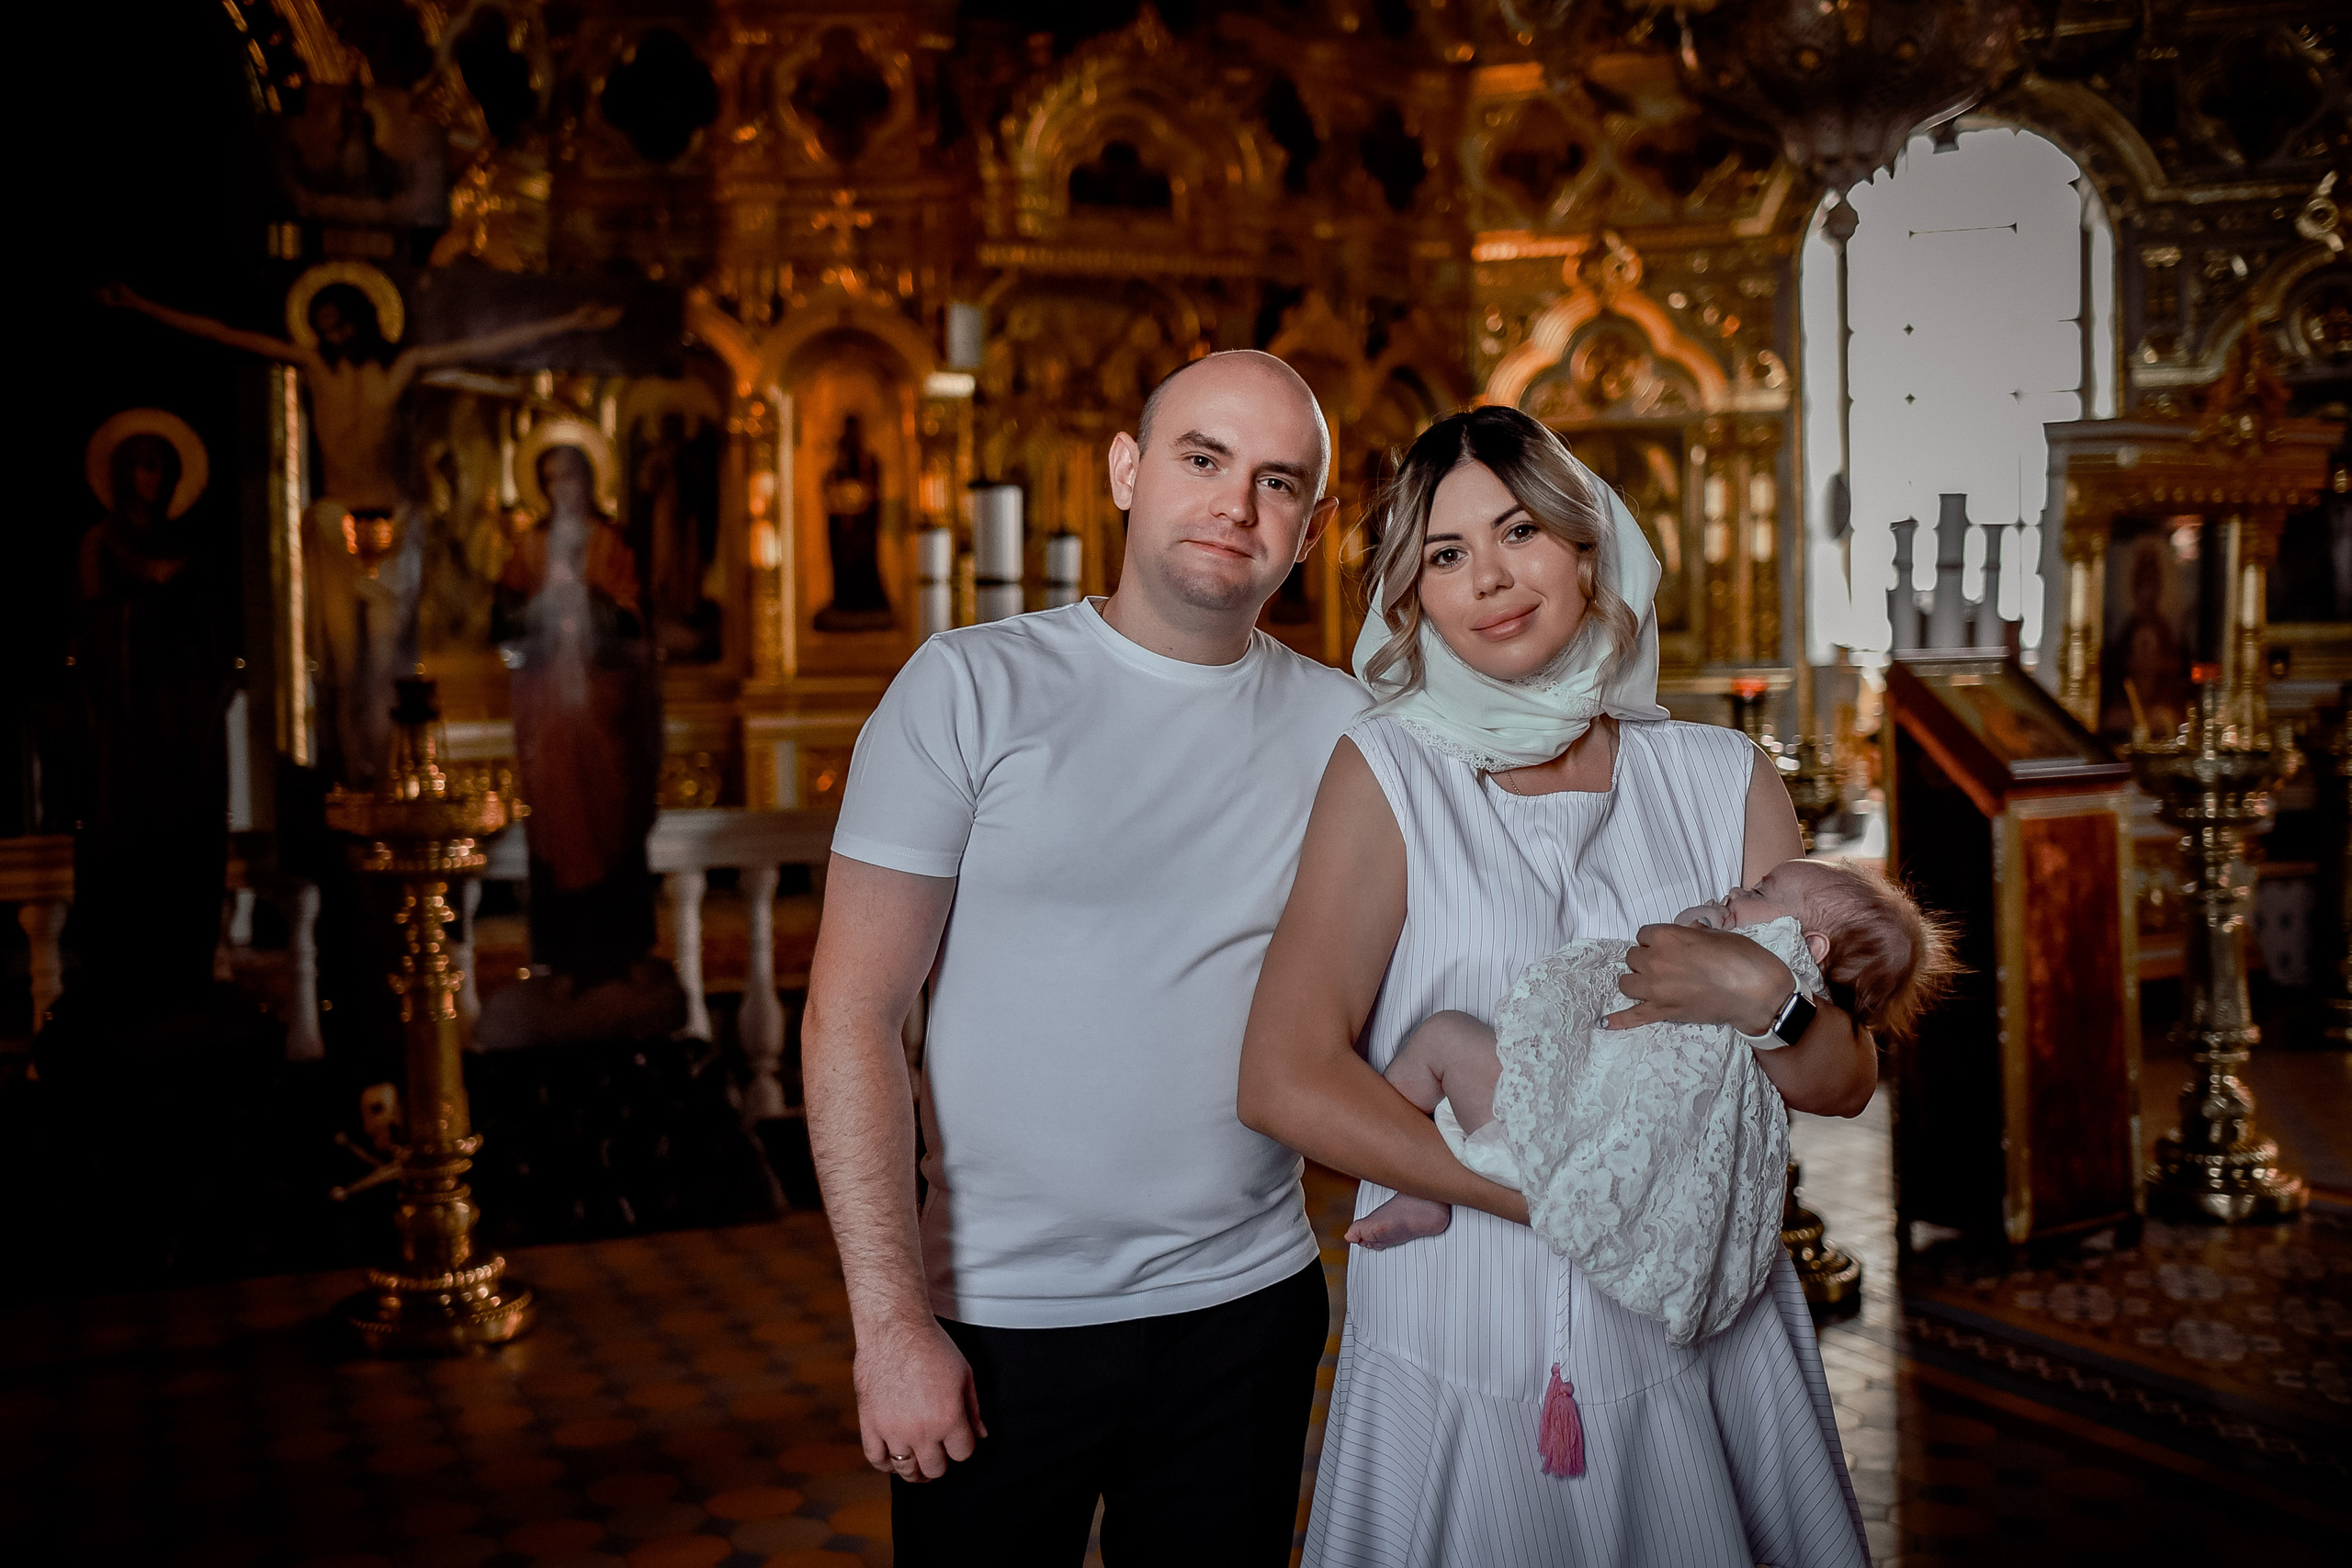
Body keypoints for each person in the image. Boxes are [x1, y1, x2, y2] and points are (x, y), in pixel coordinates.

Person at [1238, 405, 1874, 1566]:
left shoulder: (1718, 776)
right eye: (1445, 554)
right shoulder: (1389, 772)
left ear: (1589, 547)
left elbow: (1842, 1081)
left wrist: (1760, 998)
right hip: (1468, 1321)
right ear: (1414, 596)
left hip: (1706, 1336)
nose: (1490, 577)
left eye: (1520, 530)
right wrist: (1570, 1206)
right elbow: (1283, 1079)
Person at [803, 350, 1364, 1565]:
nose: (1235, 505)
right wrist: (891, 1326)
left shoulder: (1350, 730)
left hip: (1248, 1309)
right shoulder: (968, 688)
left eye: (1278, 482)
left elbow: (1404, 987)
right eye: (1202, 458)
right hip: (998, 1316)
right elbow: (851, 1011)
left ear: (1313, 529)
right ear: (1127, 469)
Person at [1348, 857, 1951, 1349]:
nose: (1741, 887)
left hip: (1571, 1127)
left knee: (1444, 1037)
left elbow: (1665, 943)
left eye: (1764, 889)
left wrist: (1719, 935)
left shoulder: (1768, 970)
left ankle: (1420, 1187)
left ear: (1809, 946)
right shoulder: (1788, 989)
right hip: (1607, 1143)